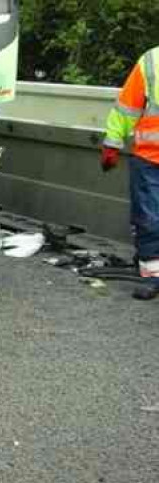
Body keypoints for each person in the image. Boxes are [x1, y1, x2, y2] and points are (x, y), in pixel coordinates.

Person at [102, 46, 159, 300]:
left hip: (148, 157)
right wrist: (112, 141)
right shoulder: (152, 61)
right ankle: (152, 273)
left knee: (149, 215)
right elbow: (128, 106)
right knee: (149, 217)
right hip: (149, 156)